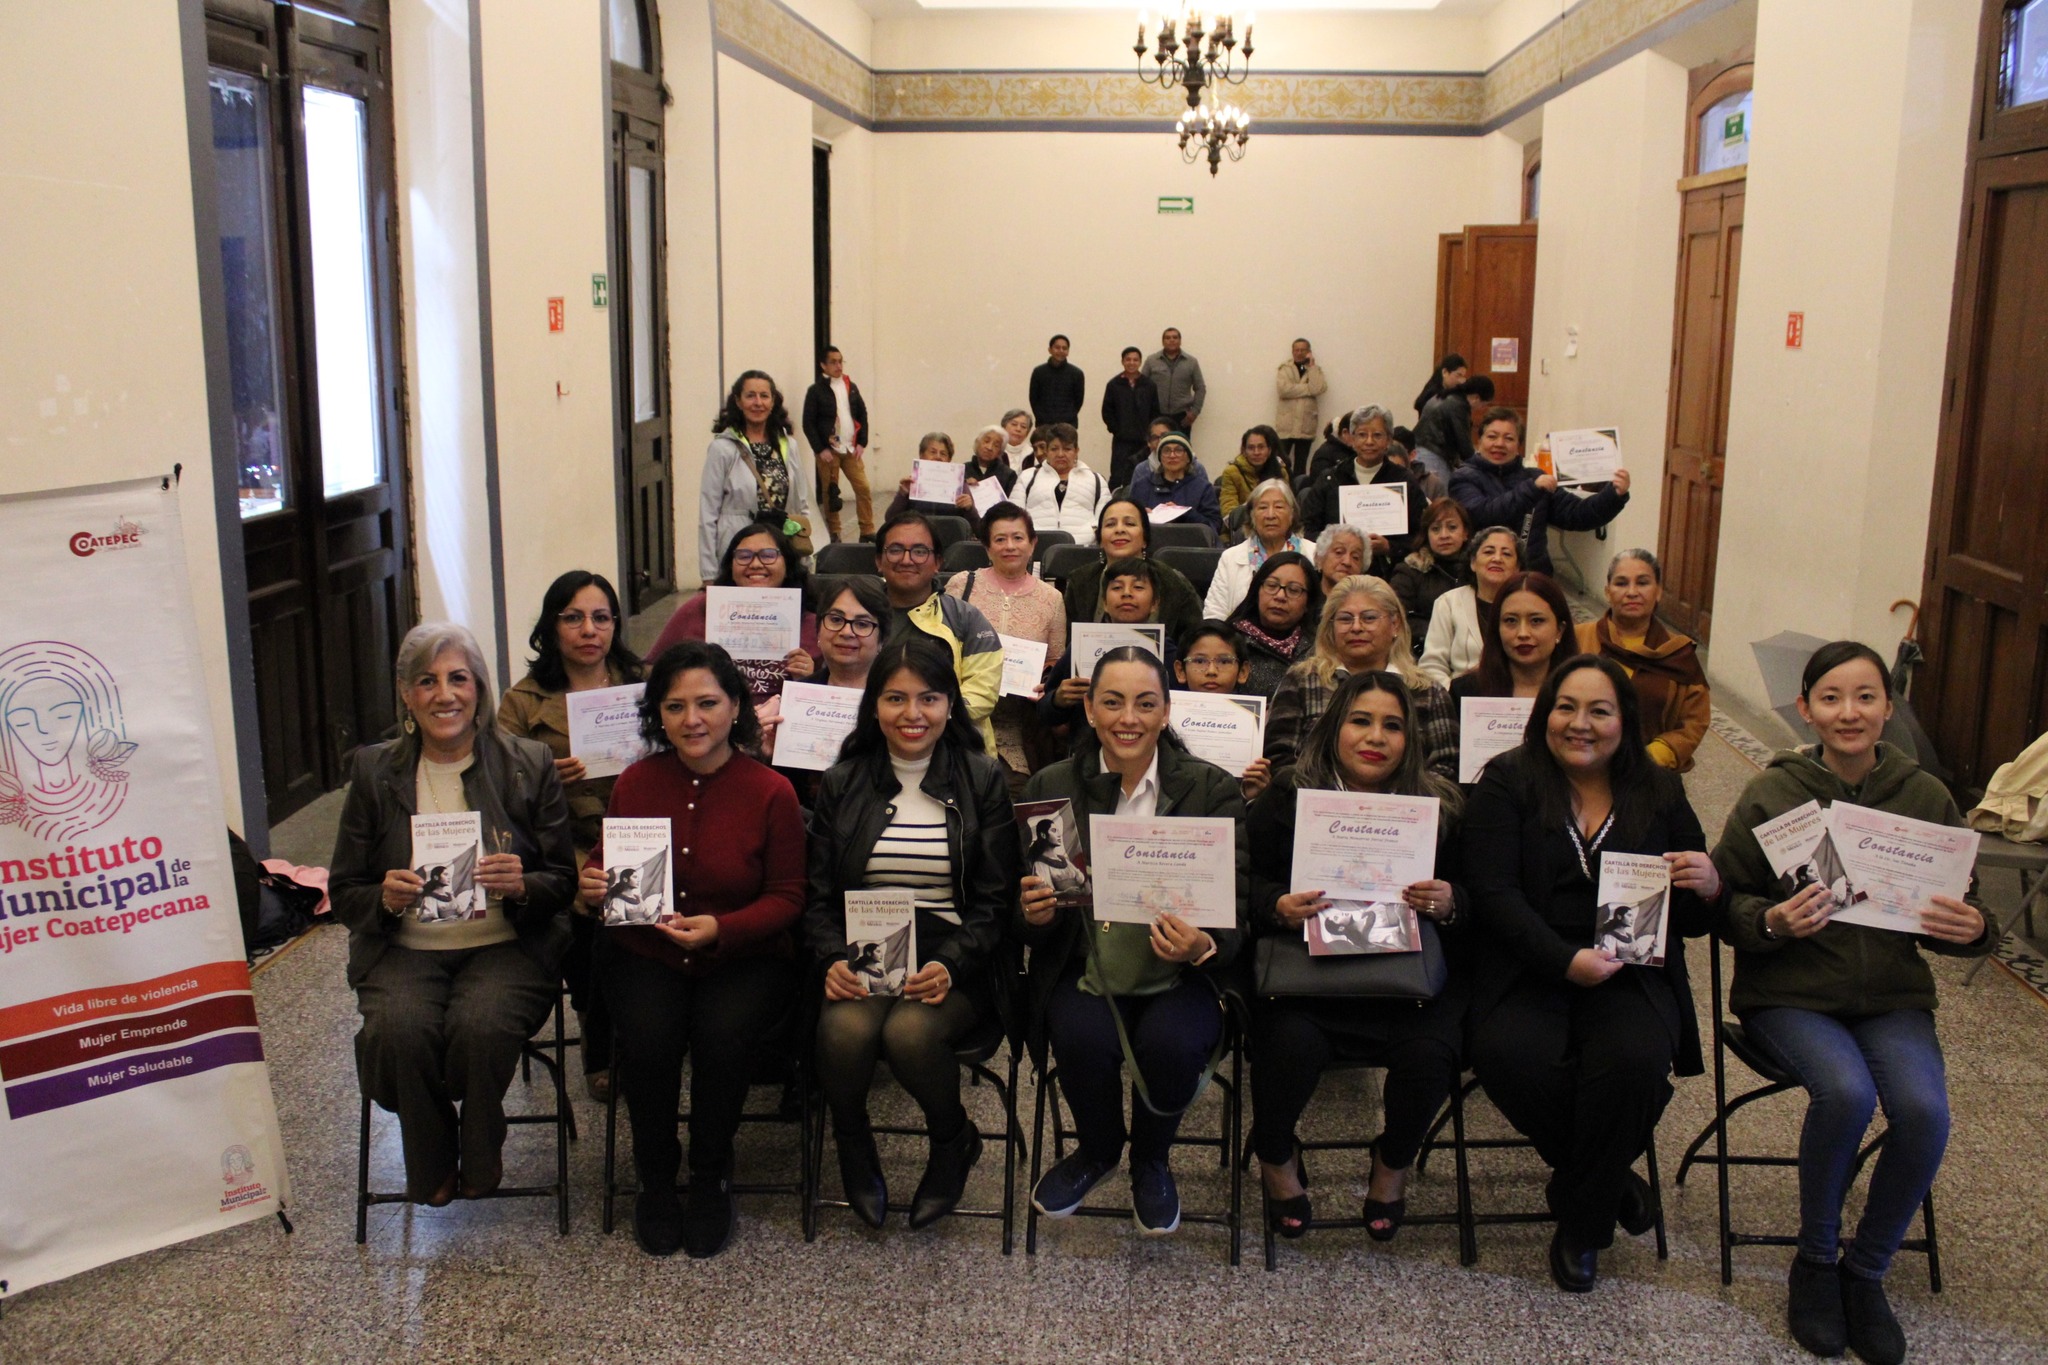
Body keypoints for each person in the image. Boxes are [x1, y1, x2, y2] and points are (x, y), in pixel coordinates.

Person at [1710, 641, 1992, 1364]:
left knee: (1925, 1111)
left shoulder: (1925, 795)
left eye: (1865, 696)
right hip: (1791, 994)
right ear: (1806, 708)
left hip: (1891, 997)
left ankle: (1865, 1273)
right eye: (1831, 697)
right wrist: (1770, 921)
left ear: (1887, 707)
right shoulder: (1774, 792)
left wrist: (1975, 928)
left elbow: (1963, 915)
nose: (1849, 712)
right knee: (1844, 1091)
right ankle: (1815, 1261)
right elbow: (1724, 899)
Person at [1461, 655, 1722, 1293]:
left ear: (1624, 722)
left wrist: (1709, 885)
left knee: (1633, 1062)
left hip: (1631, 968)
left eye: (1599, 711)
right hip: (1529, 961)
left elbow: (1686, 918)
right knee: (1508, 1055)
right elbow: (1492, 894)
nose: (1580, 724)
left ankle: (1582, 1222)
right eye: (1566, 708)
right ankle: (1608, 1179)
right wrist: (1563, 960)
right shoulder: (1508, 779)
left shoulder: (1659, 789)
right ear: (1545, 714)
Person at [330, 623, 575, 1208]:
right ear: (407, 695)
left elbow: (562, 882)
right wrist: (382, 897)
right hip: (404, 948)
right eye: (427, 681)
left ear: (480, 688)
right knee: (397, 1031)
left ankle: (483, 1141)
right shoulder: (373, 771)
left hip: (506, 945)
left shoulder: (528, 762)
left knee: (482, 1026)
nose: (445, 695)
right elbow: (344, 892)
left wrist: (523, 885)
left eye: (458, 679)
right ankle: (431, 1157)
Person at [578, 642, 804, 1258]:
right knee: (648, 1042)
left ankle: (710, 1178)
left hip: (742, 953)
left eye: (707, 703)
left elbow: (787, 897)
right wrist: (592, 880)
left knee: (721, 1037)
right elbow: (609, 865)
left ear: (737, 707)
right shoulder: (636, 780)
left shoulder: (770, 790)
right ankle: (655, 1179)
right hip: (644, 949)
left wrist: (721, 930)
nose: (692, 719)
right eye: (675, 706)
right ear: (658, 715)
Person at [1020, 647, 1246, 1234]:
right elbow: (1022, 915)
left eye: (1146, 704)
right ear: (1089, 710)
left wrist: (1204, 943)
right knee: (1080, 1036)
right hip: (1085, 963)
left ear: (1167, 712)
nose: (1129, 718)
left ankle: (1151, 1158)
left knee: (1172, 1045)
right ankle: (1098, 1150)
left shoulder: (1210, 790)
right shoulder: (1052, 786)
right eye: (1112, 702)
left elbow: (1240, 907)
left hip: (1181, 975)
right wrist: (1036, 916)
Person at [808, 636, 1019, 1231]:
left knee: (908, 1033)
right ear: (873, 705)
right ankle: (853, 1143)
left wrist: (951, 964)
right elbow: (817, 897)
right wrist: (829, 957)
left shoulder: (982, 780)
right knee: (846, 1029)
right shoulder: (843, 782)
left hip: (957, 959)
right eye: (895, 698)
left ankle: (953, 1141)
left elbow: (995, 901)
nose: (913, 714)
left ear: (951, 704)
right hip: (863, 953)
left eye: (928, 698)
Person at [1248, 671, 1469, 1239]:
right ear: (1334, 727)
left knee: (1432, 1054)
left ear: (1411, 739)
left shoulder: (1436, 805)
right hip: (1307, 978)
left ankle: (1391, 1162)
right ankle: (1275, 1156)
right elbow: (1241, 879)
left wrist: (1450, 901)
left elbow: (1479, 895)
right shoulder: (1289, 795)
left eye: (1393, 726)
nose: (1376, 737)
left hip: (1405, 982)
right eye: (1361, 721)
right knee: (1286, 1045)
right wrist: (1276, 902)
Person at [499, 571, 645, 1102]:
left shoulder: (644, 681)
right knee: (590, 912)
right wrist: (539, 781)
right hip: (563, 843)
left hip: (645, 834)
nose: (590, 630)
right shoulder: (524, 700)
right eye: (574, 618)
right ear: (551, 626)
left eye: (601, 618)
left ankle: (648, 1024)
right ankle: (600, 1034)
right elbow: (497, 788)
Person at [1265, 575, 1457, 780]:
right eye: (1345, 619)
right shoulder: (1302, 680)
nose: (1356, 627)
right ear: (1331, 628)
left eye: (1369, 618)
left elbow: (1447, 768)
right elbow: (1279, 759)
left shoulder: (1428, 691)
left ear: (1395, 625)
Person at [946, 503, 1067, 795]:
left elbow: (1055, 661)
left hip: (1016, 733)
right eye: (1000, 539)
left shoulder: (1051, 598)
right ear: (987, 547)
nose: (1009, 546)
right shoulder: (962, 584)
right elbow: (942, 648)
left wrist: (1042, 684)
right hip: (959, 723)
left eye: (1018, 538)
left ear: (1032, 543)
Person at [651, 522, 820, 710]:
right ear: (731, 566)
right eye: (744, 556)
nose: (755, 564)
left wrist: (809, 679)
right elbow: (651, 668)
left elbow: (837, 689)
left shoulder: (813, 622)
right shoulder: (699, 608)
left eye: (768, 555)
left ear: (787, 564)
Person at [872, 511, 1003, 751]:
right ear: (879, 560)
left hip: (956, 748)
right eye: (895, 550)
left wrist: (923, 719)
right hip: (873, 743)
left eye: (920, 551)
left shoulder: (965, 619)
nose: (907, 559)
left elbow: (982, 693)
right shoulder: (860, 617)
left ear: (938, 562)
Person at [1450, 407, 1631, 577]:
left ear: (1519, 445)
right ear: (1479, 441)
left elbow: (1577, 514)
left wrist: (1613, 495)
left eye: (1509, 438)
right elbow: (1484, 514)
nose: (1499, 444)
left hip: (1533, 575)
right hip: (1484, 576)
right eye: (1492, 436)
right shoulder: (1464, 478)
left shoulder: (1536, 477)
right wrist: (1531, 490)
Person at [1575, 549, 1710, 772]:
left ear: (1658, 592)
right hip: (1582, 766)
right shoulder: (1579, 638)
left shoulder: (1678, 653)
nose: (1632, 592)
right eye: (1621, 583)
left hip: (1652, 773)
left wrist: (1653, 756)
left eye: (1643, 583)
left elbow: (1694, 720)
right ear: (1608, 592)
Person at [1038, 557, 1178, 740]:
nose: (1126, 594)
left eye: (1138, 587)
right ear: (1104, 602)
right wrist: (1058, 700)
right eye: (1117, 588)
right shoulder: (1082, 645)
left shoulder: (1168, 653)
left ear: (1155, 603)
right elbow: (1044, 713)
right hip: (1087, 751)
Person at [699, 370, 815, 582]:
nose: (757, 402)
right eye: (750, 396)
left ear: (773, 402)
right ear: (738, 401)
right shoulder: (722, 449)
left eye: (764, 396)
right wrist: (708, 573)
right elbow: (708, 514)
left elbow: (801, 504)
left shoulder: (788, 445)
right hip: (738, 554)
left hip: (780, 552)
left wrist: (804, 555)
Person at [1060, 498, 1205, 645]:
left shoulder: (1172, 580)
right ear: (1100, 540)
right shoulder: (1080, 581)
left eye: (1129, 523)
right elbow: (1069, 643)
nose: (1119, 530)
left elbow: (1192, 641)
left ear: (1145, 539)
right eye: (1110, 524)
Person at [1300, 405, 1427, 564]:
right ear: (1351, 439)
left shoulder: (1404, 480)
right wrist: (1338, 545)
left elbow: (1419, 534)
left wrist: (1390, 547)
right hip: (1338, 568)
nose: (1369, 441)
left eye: (1377, 435)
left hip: (1389, 571)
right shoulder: (1331, 479)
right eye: (1362, 435)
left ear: (1388, 440)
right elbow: (1309, 530)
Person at [1174, 620, 1273, 803]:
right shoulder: (1162, 718)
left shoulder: (1261, 724)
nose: (1211, 671)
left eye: (1225, 661)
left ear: (1243, 671)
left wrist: (1252, 794)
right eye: (1199, 661)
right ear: (1180, 670)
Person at [1450, 572, 1576, 705]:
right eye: (1511, 620)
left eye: (1536, 621)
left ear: (1559, 630)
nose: (1523, 633)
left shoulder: (1585, 692)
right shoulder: (1466, 692)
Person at [1418, 525, 1522, 686]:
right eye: (1488, 552)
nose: (1497, 558)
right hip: (1460, 702)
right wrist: (1457, 691)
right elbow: (1431, 666)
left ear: (1517, 568)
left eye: (1506, 554)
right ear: (1473, 562)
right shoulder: (1448, 603)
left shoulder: (1529, 604)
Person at [1205, 478, 1313, 619]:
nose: (1270, 515)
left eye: (1279, 507)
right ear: (1252, 515)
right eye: (1262, 507)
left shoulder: (1314, 554)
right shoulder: (1230, 558)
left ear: (1292, 514)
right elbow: (1214, 614)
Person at [801, 344, 875, 543]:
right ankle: (835, 532)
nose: (838, 366)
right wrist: (820, 449)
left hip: (850, 449)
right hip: (829, 451)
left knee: (863, 488)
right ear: (823, 366)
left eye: (840, 361)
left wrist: (862, 442)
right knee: (830, 493)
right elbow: (808, 423)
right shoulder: (816, 391)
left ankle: (867, 530)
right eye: (833, 362)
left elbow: (862, 414)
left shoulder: (851, 387)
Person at [1389, 498, 1473, 648]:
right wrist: (1441, 633)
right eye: (1435, 529)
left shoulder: (1478, 572)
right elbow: (1395, 617)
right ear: (1426, 534)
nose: (1444, 535)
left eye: (1452, 527)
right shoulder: (1409, 571)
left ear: (1465, 533)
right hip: (1422, 650)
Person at [1016, 422, 1112, 545]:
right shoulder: (1027, 477)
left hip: (1083, 550)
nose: (1060, 454)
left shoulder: (1096, 480)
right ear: (1047, 451)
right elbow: (1014, 518)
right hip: (1036, 549)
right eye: (1054, 449)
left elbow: (1106, 521)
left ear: (1076, 450)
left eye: (1067, 449)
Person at [1128, 432, 1222, 534]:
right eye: (1166, 451)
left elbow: (1214, 526)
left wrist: (1185, 514)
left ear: (1188, 457)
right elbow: (1127, 522)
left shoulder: (1202, 488)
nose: (1172, 455)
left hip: (1189, 544)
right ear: (1160, 457)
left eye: (1178, 450)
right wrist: (1140, 516)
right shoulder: (1142, 486)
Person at [1101, 345, 1162, 492]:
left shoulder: (1149, 385)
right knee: (1118, 474)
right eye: (1128, 359)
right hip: (1121, 440)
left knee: (1143, 473)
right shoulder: (1114, 384)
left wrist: (1150, 435)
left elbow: (1155, 412)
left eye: (1135, 360)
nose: (1131, 363)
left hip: (1143, 440)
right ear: (1122, 361)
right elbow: (1107, 411)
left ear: (1140, 362)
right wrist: (1117, 430)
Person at [887, 431, 980, 525]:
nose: (938, 457)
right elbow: (890, 519)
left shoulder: (960, 486)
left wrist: (969, 508)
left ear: (949, 459)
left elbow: (978, 528)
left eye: (943, 454)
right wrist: (902, 495)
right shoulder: (911, 484)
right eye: (933, 452)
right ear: (921, 455)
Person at [1414, 375, 1493, 480]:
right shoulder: (1458, 406)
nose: (1481, 409)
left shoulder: (1445, 396)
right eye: (1483, 405)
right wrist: (1482, 465)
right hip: (1433, 457)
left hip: (1422, 451)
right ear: (1476, 398)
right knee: (1439, 494)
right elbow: (1464, 445)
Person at [1274, 340, 1327, 481]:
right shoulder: (1284, 368)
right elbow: (1283, 390)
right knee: (1281, 463)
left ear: (1309, 351)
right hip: (1286, 425)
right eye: (1296, 350)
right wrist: (1307, 389)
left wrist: (1312, 368)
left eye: (1303, 350)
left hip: (1305, 425)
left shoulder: (1315, 370)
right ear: (1292, 351)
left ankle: (1298, 492)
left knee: (1301, 465)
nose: (1299, 353)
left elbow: (1317, 388)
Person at [1217, 424, 1286, 526]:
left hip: (1275, 528)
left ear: (1269, 450)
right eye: (1251, 448)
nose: (1256, 452)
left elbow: (1286, 508)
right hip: (1241, 530)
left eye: (1261, 447)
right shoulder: (1231, 472)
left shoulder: (1280, 472)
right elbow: (1229, 516)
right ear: (1244, 451)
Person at [1143, 327, 1206, 436]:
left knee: (1181, 450)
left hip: (1181, 417)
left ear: (1180, 341)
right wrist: (1145, 411)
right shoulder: (1151, 361)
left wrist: (1194, 412)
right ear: (1163, 342)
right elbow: (1141, 386)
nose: (1171, 340)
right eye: (1167, 338)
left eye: (1175, 337)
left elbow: (1200, 388)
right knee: (1157, 449)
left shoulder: (1191, 362)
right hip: (1157, 415)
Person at [1029, 334, 1086, 429]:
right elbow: (1034, 399)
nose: (1061, 351)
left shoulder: (1076, 373)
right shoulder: (1039, 372)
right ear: (1050, 350)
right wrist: (1042, 417)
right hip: (1043, 425)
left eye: (1064, 348)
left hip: (1068, 426)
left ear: (1068, 352)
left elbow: (1078, 401)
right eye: (1057, 347)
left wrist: (1067, 418)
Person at [963, 424, 1018, 501]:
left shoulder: (1009, 475)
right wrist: (964, 486)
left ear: (1000, 452)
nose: (989, 447)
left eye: (996, 445)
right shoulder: (962, 470)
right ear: (977, 443)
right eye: (986, 441)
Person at [1313, 523, 1367, 599]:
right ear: (1319, 558)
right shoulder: (1305, 600)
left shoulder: (1368, 605)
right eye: (1339, 552)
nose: (1347, 562)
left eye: (1355, 557)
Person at [1413, 353, 1469, 420]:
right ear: (1445, 372)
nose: (1461, 381)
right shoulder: (1433, 393)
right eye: (1458, 375)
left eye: (1463, 377)